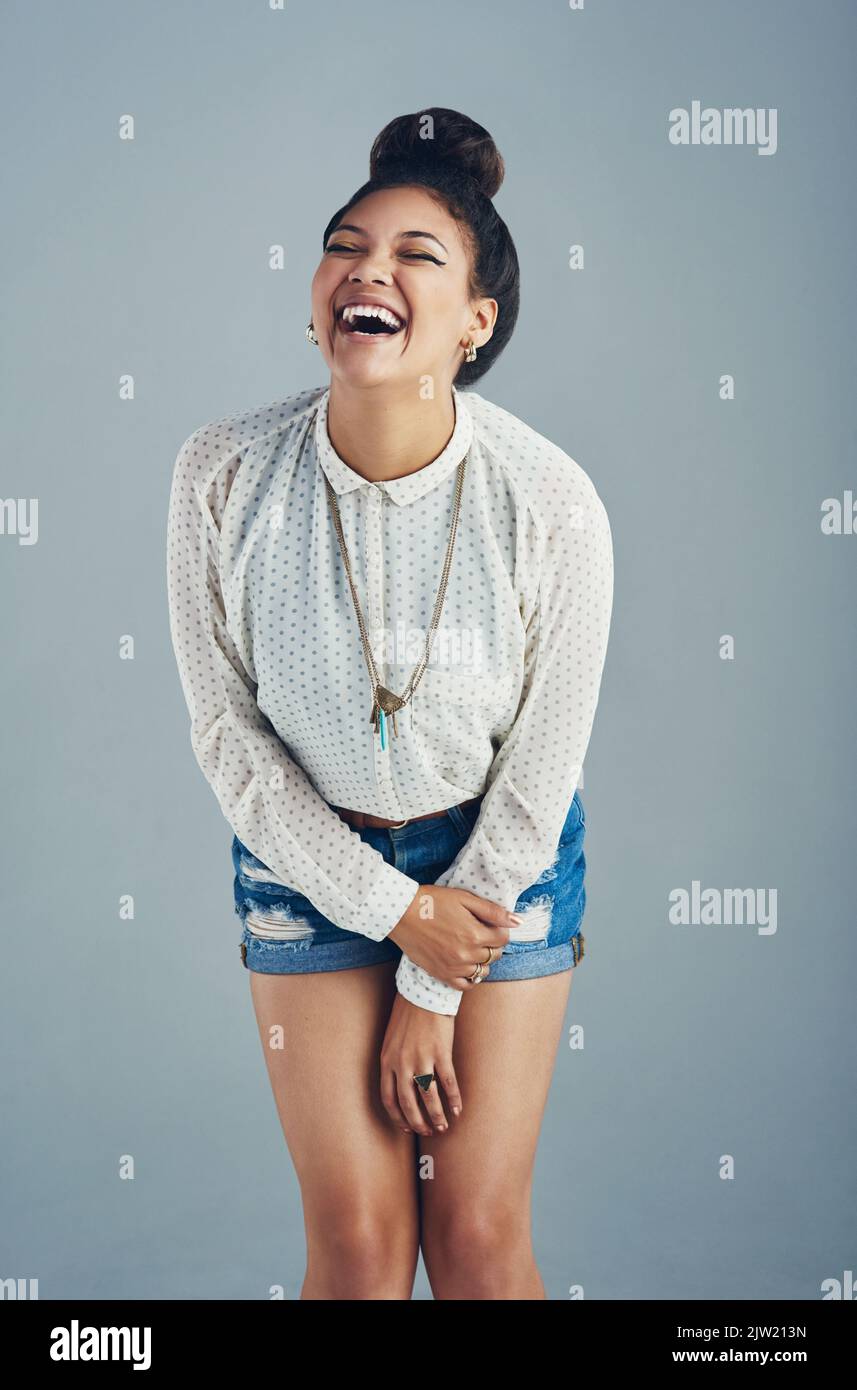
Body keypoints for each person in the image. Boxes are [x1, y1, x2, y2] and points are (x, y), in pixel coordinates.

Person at [166, 107, 614, 1300]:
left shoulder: (551, 501)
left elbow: (539, 769)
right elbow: (231, 744)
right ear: (316, 294)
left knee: (470, 1241)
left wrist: (430, 968)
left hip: (495, 877)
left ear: (476, 323)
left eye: (417, 254)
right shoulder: (220, 472)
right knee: (361, 1253)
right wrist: (385, 908)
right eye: (345, 244)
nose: (368, 268)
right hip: (304, 865)